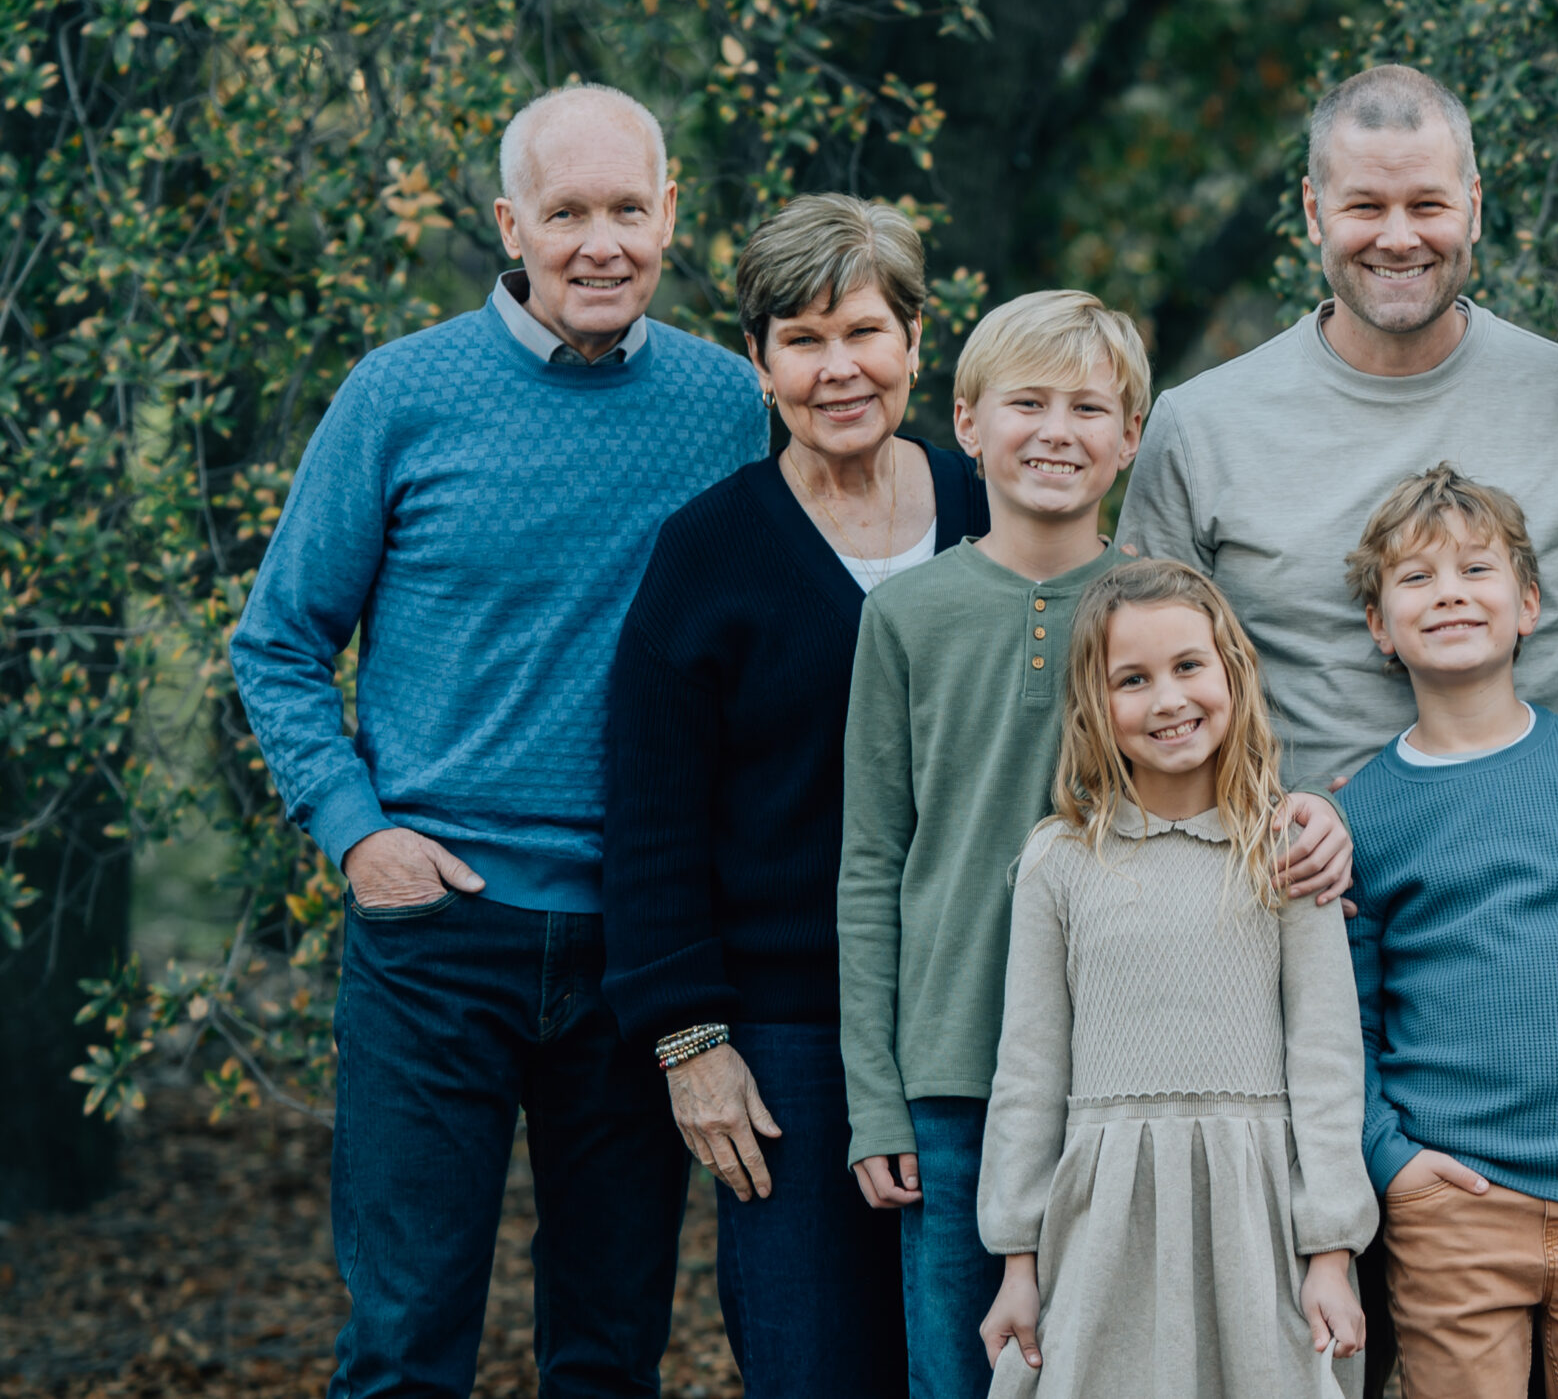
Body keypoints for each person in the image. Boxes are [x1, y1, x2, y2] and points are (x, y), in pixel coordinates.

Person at [230, 84, 768, 1399]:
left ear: (670, 218)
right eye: (567, 212)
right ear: (509, 225)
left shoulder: (731, 408)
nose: (600, 242)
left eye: (627, 211)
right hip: (434, 937)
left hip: (638, 940)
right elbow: (280, 640)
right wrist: (357, 832)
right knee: (406, 1340)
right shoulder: (399, 396)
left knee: (608, 1342)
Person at [836, 291, 1358, 1399]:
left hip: (1138, 1081)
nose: (1055, 432)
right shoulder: (906, 617)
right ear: (967, 425)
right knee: (968, 1372)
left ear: (1130, 441)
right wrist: (874, 1093)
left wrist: (1316, 813)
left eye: (1088, 408)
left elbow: (1246, 764)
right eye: (1026, 403)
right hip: (953, 1072)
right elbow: (872, 860)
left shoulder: (1163, 616)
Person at [603, 195, 986, 1397]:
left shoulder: (993, 515)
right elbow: (652, 815)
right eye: (803, 340)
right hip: (785, 1040)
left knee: (987, 1360)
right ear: (759, 361)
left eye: (865, 332)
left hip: (989, 1024)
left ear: (916, 343)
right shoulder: (708, 554)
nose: (839, 369)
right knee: (814, 1362)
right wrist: (691, 1041)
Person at [1116, 62, 1558, 797]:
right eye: (1365, 206)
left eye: (1427, 204)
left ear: (1473, 205)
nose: (1398, 238)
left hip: (1556, 873)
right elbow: (1144, 689)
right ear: (1313, 210)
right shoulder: (1200, 428)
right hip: (1303, 888)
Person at [1337, 467, 1558, 1399]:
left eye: (1476, 569)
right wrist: (1395, 1163)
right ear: (1379, 625)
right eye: (1415, 578)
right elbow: (1349, 1026)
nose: (1450, 591)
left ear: (1530, 603)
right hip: (1453, 1207)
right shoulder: (1362, 815)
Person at [975, 558, 1376, 1397]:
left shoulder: (1285, 850)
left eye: (1189, 666)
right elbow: (1030, 1069)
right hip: (1104, 1219)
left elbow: (1327, 1060)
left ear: (1231, 670)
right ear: (1095, 702)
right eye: (1133, 679)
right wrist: (1019, 1261)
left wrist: (1330, 1251)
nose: (1167, 699)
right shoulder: (1060, 859)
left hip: (1256, 1214)